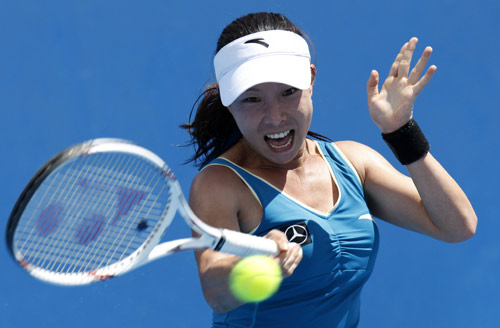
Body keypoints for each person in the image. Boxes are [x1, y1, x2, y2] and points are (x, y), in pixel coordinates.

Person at [181, 12, 477, 328]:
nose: (275, 116)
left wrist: (401, 132)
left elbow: (457, 226)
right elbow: (214, 289)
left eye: (288, 92)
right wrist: (251, 266)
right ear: (229, 102)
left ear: (310, 79)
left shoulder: (353, 163)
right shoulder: (219, 184)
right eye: (252, 99)